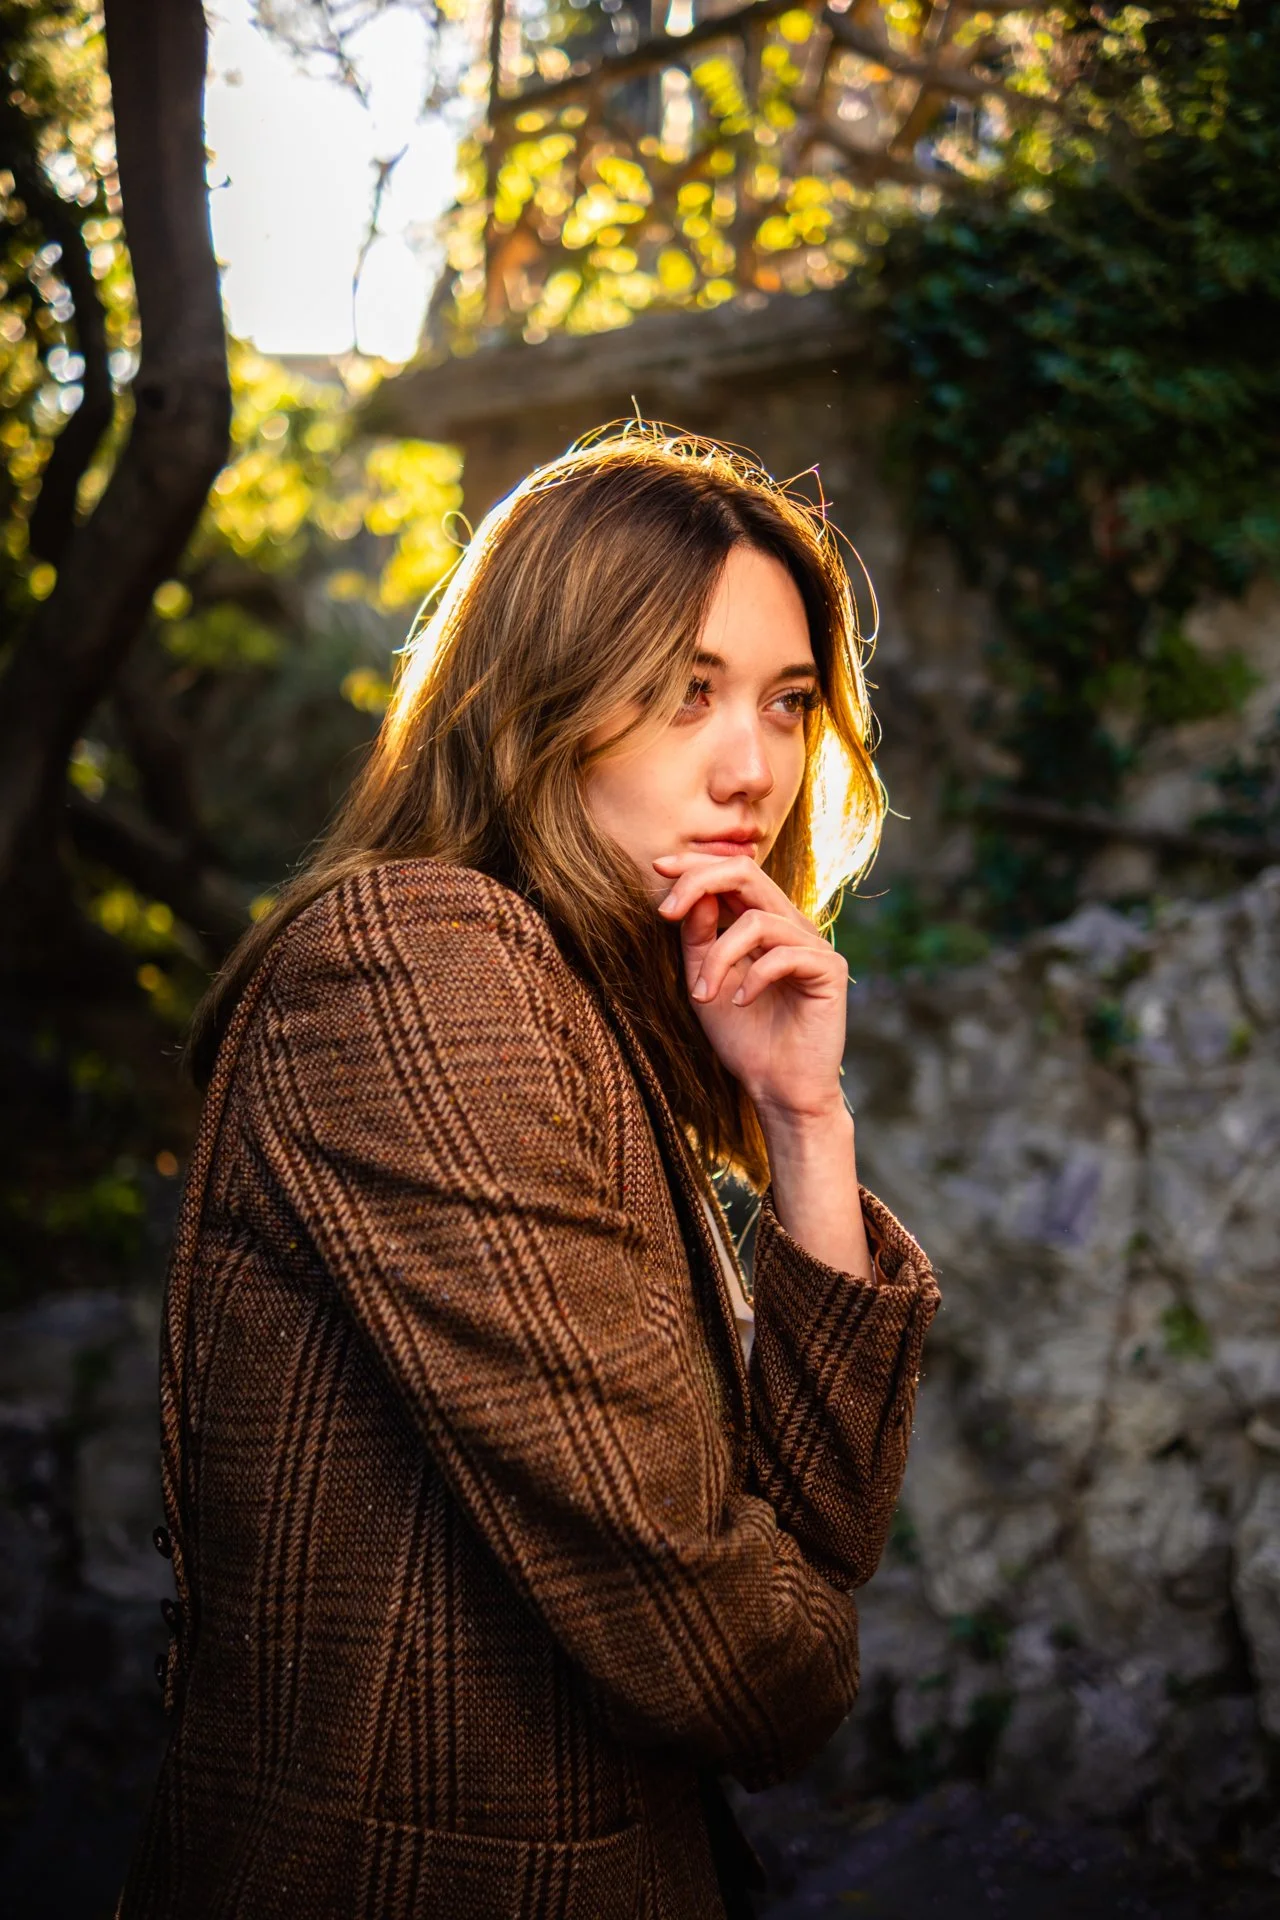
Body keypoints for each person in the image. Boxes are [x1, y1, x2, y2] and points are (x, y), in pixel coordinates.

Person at [117, 426, 940, 1920]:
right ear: (547, 691)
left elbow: (812, 1538)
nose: (752, 766)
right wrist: (803, 1638)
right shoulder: (425, 967)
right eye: (685, 692)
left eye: (787, 702)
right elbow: (737, 1657)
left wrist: (806, 1123)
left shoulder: (585, 1002)